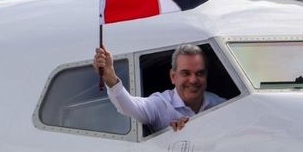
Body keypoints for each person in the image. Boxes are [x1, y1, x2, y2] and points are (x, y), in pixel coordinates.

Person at [93, 44, 226, 132]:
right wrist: (110, 78)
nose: (193, 80)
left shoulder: (220, 104)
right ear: (173, 77)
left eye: (199, 73)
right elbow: (129, 106)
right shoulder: (160, 104)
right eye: (186, 73)